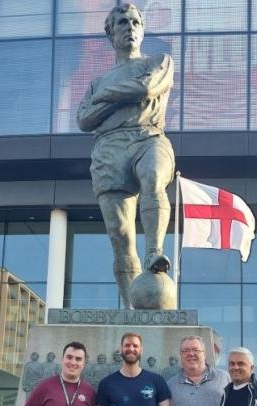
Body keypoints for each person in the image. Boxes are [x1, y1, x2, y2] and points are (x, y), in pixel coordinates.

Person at [77, 2, 177, 308]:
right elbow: (84, 119)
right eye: (122, 22)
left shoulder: (159, 61)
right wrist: (118, 93)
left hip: (147, 136)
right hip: (108, 148)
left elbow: (147, 88)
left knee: (153, 176)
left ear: (143, 29)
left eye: (135, 22)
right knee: (120, 236)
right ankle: (130, 308)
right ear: (111, 33)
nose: (130, 27)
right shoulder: (96, 82)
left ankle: (154, 252)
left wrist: (107, 98)